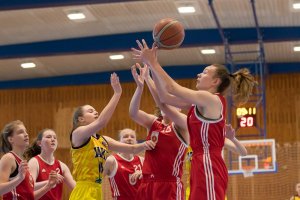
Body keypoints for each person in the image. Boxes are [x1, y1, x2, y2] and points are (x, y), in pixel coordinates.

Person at [132, 40, 254, 200]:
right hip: (199, 163)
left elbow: (172, 88)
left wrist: (154, 62)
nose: (199, 74)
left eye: (204, 72)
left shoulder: (211, 99)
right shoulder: (199, 104)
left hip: (209, 162)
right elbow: (165, 98)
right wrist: (150, 74)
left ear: (215, 82)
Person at [69, 73, 155, 200]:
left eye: (95, 110)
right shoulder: (77, 134)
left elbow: (132, 149)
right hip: (83, 189)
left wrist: (147, 144)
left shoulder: (103, 140)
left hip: (97, 189)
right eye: (90, 111)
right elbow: (102, 122)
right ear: (81, 119)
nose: (96, 112)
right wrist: (117, 93)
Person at [129, 64, 189, 200]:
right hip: (147, 184)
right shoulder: (154, 123)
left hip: (169, 185)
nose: (165, 102)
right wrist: (139, 88)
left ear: (179, 108)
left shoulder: (182, 124)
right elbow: (133, 113)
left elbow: (162, 102)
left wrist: (149, 78)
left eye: (170, 100)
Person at [0, 120, 59, 200]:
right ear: (11, 139)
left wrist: (48, 186)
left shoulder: (23, 162)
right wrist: (19, 178)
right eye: (21, 132)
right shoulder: (9, 158)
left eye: (26, 132)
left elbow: (29, 197)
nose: (26, 134)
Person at [25, 128, 76, 200]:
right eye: (48, 137)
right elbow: (29, 187)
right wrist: (48, 183)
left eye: (55, 138)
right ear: (39, 143)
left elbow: (75, 188)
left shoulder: (62, 166)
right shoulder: (34, 162)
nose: (53, 139)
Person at [103, 128, 144, 200]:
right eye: (125, 136)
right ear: (118, 142)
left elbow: (154, 179)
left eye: (132, 137)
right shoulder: (112, 160)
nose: (129, 139)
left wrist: (144, 173)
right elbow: (97, 179)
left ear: (136, 142)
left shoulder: (142, 160)